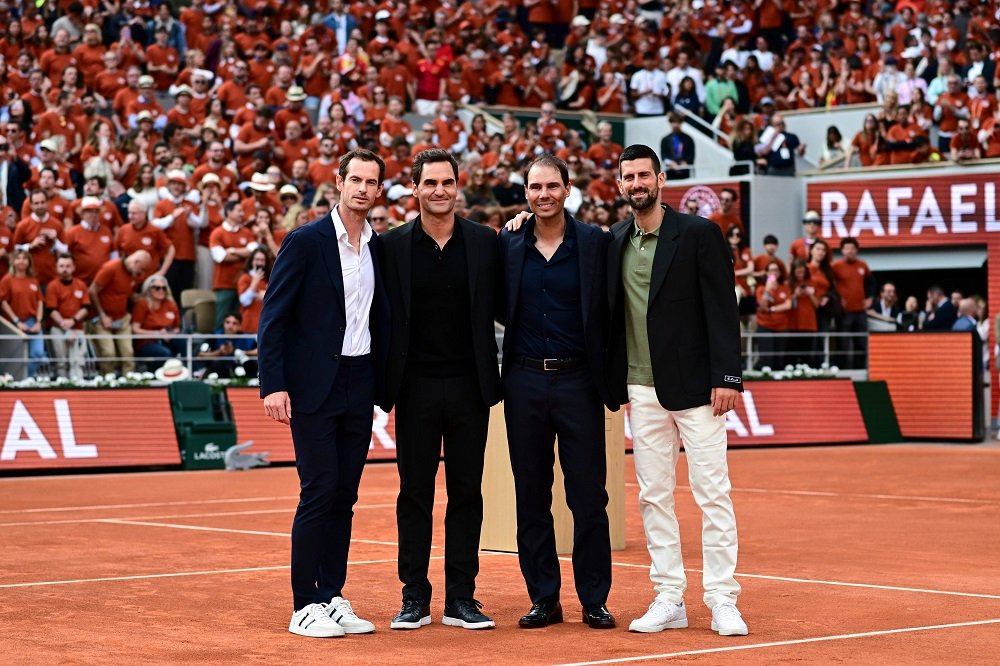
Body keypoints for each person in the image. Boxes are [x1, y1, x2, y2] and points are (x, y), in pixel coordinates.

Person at [607, 144, 747, 636]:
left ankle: (722, 599)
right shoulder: (615, 238)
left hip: (698, 391)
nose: (636, 183)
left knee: (713, 494)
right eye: (628, 177)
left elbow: (722, 310)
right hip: (640, 388)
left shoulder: (699, 234)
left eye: (644, 174)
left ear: (661, 179)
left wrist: (726, 377)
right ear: (620, 184)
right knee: (653, 496)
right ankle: (670, 596)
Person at [257, 148, 390, 639]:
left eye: (371, 181)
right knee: (319, 490)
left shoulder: (380, 246)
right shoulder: (306, 241)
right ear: (339, 181)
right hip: (314, 386)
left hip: (360, 382)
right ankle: (302, 604)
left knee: (345, 495)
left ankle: (331, 595)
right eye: (354, 179)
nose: (361, 188)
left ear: (379, 189)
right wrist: (274, 384)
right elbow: (273, 319)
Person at [377, 148, 501, 632]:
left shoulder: (485, 242)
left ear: (457, 186)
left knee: (468, 493)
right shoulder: (391, 246)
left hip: (471, 387)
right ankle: (414, 597)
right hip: (415, 389)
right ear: (415, 188)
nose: (439, 191)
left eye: (447, 182)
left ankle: (462, 599)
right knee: (415, 494)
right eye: (430, 183)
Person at [498, 155, 616, 630]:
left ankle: (594, 598)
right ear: (525, 193)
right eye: (534, 187)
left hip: (579, 381)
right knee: (531, 495)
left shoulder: (596, 243)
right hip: (523, 380)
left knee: (588, 496)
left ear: (568, 189)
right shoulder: (508, 242)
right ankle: (544, 598)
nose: (542, 194)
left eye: (551, 186)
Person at [88, 250, 151, 376]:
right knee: (108, 353)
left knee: (128, 353)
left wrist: (143, 299)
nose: (141, 273)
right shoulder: (110, 268)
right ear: (136, 261)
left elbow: (125, 293)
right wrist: (102, 315)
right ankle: (108, 381)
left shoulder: (132, 273)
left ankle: (128, 382)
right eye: (141, 269)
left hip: (122, 318)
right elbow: (92, 291)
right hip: (103, 318)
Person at [209, 202, 257, 330]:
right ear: (229, 212)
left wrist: (232, 250)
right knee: (221, 320)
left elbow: (254, 251)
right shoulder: (217, 233)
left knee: (241, 321)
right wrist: (244, 253)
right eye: (239, 210)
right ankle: (217, 348)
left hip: (244, 285)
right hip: (224, 284)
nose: (242, 214)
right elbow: (221, 257)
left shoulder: (247, 232)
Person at [0, 249, 47, 376]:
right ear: (13, 261)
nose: (21, 261)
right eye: (18, 258)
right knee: (15, 357)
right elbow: (3, 302)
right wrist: (16, 321)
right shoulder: (7, 280)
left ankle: (26, 380)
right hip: (12, 323)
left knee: (37, 354)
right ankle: (14, 383)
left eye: (24, 258)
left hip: (32, 321)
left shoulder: (33, 280)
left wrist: (38, 322)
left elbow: (40, 302)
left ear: (29, 262)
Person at [45, 253, 90, 380]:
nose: (65, 269)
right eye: (61, 266)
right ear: (57, 268)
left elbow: (86, 307)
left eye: (68, 266)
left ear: (74, 267)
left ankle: (78, 386)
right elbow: (51, 309)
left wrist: (73, 321)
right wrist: (65, 326)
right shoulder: (52, 286)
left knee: (78, 360)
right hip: (58, 326)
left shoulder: (80, 285)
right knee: (61, 361)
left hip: (77, 326)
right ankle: (63, 385)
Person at [131, 275, 186, 371]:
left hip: (167, 339)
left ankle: (192, 371)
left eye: (164, 288)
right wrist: (157, 334)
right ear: (149, 289)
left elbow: (177, 328)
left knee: (182, 341)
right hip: (147, 342)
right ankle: (156, 377)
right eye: (157, 288)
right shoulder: (142, 304)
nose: (161, 290)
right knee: (165, 353)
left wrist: (170, 334)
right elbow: (135, 329)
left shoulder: (171, 304)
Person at [755, 260, 792, 369]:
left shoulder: (785, 287)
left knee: (779, 360)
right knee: (767, 359)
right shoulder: (761, 289)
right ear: (766, 273)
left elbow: (788, 305)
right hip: (765, 326)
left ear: (780, 272)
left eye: (776, 270)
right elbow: (763, 306)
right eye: (771, 270)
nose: (774, 272)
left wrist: (771, 309)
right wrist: (767, 289)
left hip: (782, 327)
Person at [236, 248, 271, 335]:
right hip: (249, 325)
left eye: (262, 260)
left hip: (265, 324)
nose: (259, 263)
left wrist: (265, 294)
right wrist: (254, 282)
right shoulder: (245, 278)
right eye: (257, 260)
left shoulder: (270, 279)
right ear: (251, 261)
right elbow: (244, 301)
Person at [659, 113, 694, 180]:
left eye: (678, 122)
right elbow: (664, 156)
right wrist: (670, 163)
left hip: (685, 171)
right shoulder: (665, 140)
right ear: (670, 123)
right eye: (673, 122)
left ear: (681, 123)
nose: (675, 125)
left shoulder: (688, 139)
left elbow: (691, 155)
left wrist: (686, 162)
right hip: (671, 171)